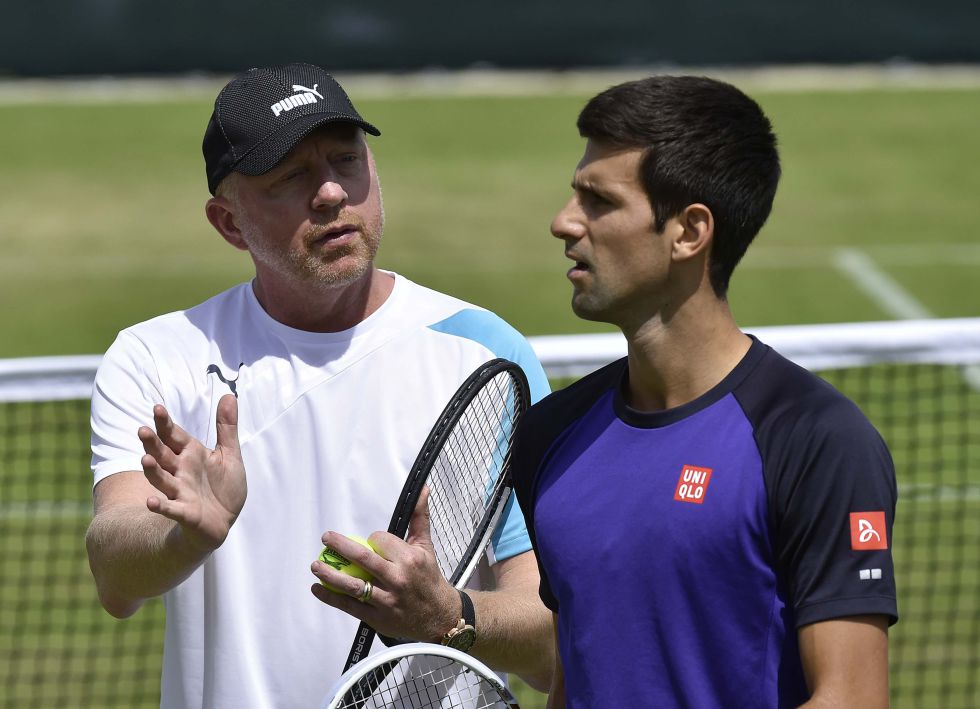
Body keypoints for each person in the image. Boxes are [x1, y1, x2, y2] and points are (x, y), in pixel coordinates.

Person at [84, 62, 553, 708]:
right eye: (291, 176)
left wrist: (453, 614)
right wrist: (185, 535)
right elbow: (115, 576)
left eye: (346, 159)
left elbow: (557, 644)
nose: (332, 192)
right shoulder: (157, 358)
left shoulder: (486, 353)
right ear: (228, 223)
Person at [511, 75, 898, 708]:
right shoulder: (550, 435)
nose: (563, 222)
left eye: (598, 201)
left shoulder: (816, 441)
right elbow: (580, 672)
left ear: (689, 232)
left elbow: (851, 700)